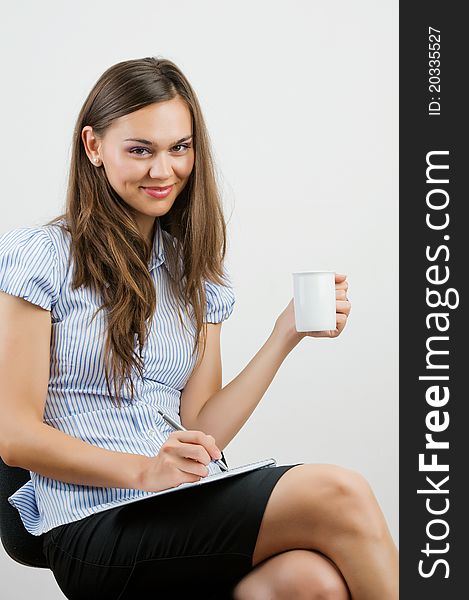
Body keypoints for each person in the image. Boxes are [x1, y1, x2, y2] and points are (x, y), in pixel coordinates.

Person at [0, 56, 397, 599]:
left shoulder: (194, 271)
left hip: (181, 502)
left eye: (178, 148)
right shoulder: (40, 257)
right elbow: (15, 436)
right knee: (340, 493)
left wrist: (285, 333)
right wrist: (145, 472)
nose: (163, 171)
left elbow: (202, 427)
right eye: (140, 150)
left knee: (312, 582)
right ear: (93, 146)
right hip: (92, 521)